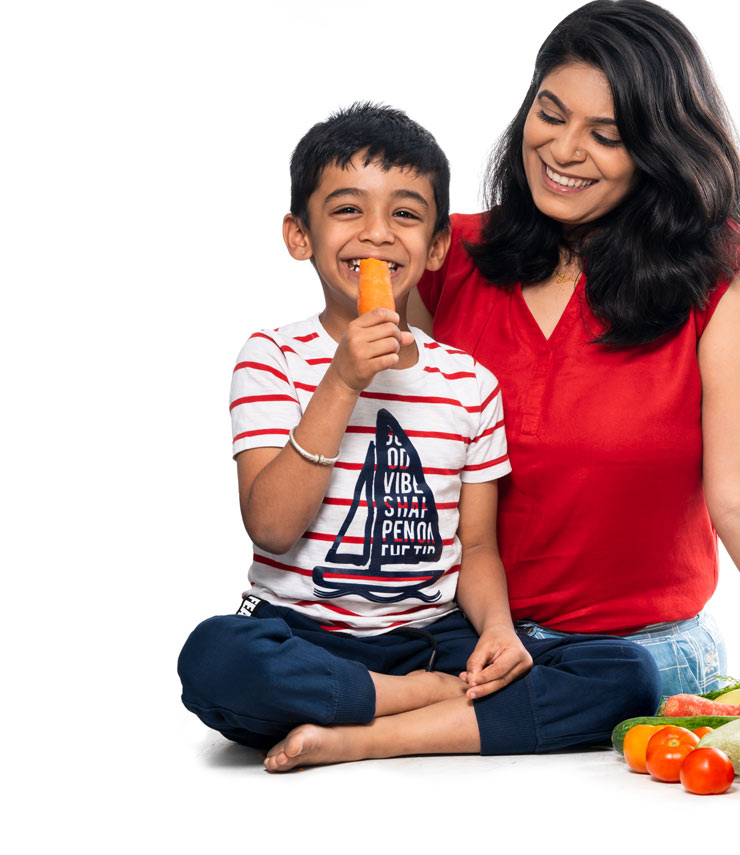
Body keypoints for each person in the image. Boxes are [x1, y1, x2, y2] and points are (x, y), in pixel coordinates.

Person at [178, 103, 660, 771]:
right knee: (215, 658)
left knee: (628, 674)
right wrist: (341, 381)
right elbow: (272, 528)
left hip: (431, 640)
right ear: (299, 235)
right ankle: (419, 703)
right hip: (301, 635)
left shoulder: (468, 383)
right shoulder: (272, 358)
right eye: (348, 209)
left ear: (436, 248)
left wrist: (498, 631)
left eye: (404, 214)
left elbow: (477, 545)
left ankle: (361, 733)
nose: (377, 234)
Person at [411, 0, 740, 697]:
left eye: (606, 135)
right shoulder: (451, 254)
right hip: (463, 642)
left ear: (658, 150)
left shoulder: (722, 283)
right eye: (551, 114)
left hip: (636, 657)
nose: (563, 150)